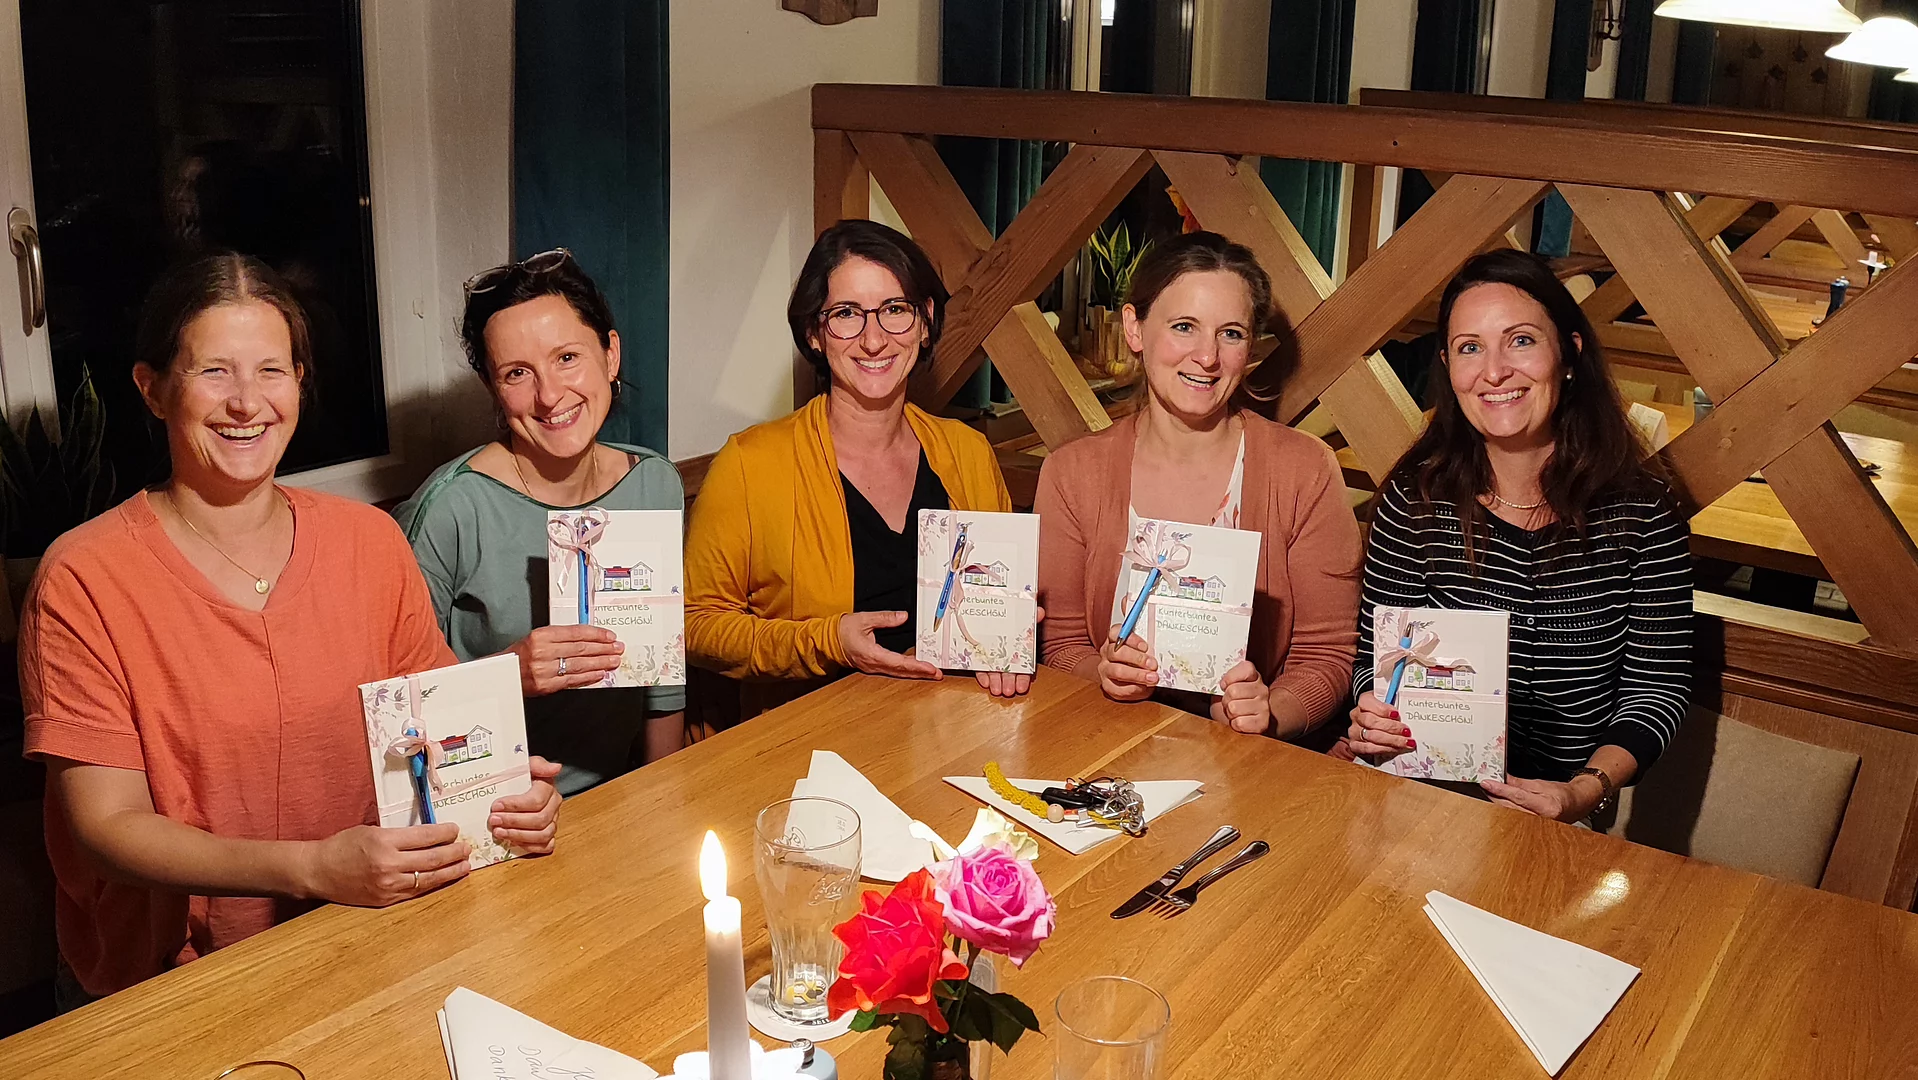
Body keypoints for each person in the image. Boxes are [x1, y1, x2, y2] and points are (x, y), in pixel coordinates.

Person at [20, 253, 562, 1008]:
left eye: (272, 371)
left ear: (299, 383)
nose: (247, 402)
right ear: (153, 388)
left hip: (362, 930)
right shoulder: (84, 577)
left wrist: (507, 794)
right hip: (166, 982)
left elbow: (435, 727)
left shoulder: (369, 541)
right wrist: (312, 868)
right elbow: (106, 827)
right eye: (214, 371)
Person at [1342, 249, 1691, 822]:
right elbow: (1374, 661)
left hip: (1562, 812)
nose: (1495, 371)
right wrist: (1370, 709)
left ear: (1569, 355)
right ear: (1448, 368)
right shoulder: (1414, 499)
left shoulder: (1642, 512)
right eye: (1470, 348)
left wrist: (1586, 790)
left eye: (1521, 341)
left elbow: (1658, 688)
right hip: (1419, 797)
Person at [1034, 231, 1362, 737]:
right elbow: (1061, 643)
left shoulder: (1304, 469)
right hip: (1105, 746)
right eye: (1184, 327)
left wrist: (1272, 712)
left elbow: (1327, 654)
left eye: (1230, 333)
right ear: (1135, 328)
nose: (1207, 357)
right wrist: (1100, 674)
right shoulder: (1071, 473)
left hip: (1250, 765)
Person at [686, 220, 1022, 708]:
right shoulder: (750, 464)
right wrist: (828, 641)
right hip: (810, 736)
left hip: (952, 721)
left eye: (895, 310)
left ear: (925, 321)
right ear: (814, 333)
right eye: (846, 314)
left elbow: (993, 602)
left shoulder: (968, 453)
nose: (873, 339)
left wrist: (1008, 620)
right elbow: (695, 625)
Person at [395, 250, 685, 795]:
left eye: (567, 358)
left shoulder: (654, 484)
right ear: (492, 387)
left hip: (622, 792)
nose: (549, 396)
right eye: (517, 373)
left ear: (611, 354)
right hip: (496, 809)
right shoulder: (450, 510)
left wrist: (662, 796)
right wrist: (508, 674)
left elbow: (662, 676)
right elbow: (397, 713)